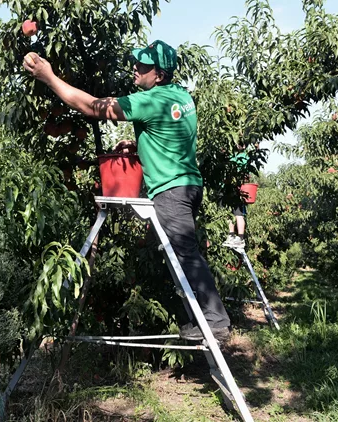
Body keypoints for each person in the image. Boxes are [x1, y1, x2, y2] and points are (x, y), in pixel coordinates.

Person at [22, 40, 231, 342]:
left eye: (143, 65)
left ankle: (215, 320)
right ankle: (199, 320)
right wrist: (141, 146)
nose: (135, 67)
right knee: (177, 254)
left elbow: (91, 106)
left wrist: (49, 76)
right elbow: (169, 135)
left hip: (170, 190)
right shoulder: (181, 96)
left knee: (184, 253)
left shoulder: (149, 101)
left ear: (158, 75)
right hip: (189, 185)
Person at [222, 143, 251, 251]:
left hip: (236, 189)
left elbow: (244, 175)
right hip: (226, 189)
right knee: (227, 214)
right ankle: (231, 235)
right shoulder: (231, 156)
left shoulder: (243, 157)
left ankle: (240, 238)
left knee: (238, 214)